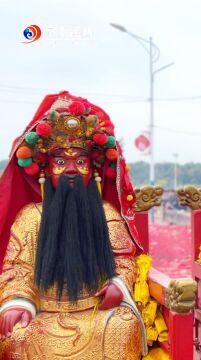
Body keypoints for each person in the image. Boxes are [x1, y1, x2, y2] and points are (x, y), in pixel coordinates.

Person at [0, 91, 146, 358]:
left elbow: (125, 261)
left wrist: (118, 285)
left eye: (80, 161)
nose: (70, 169)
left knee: (124, 326)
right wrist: (17, 303)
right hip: (43, 313)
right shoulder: (30, 217)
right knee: (16, 336)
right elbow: (16, 271)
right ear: (45, 169)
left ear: (93, 169)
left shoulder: (106, 213)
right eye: (60, 162)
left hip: (97, 312)